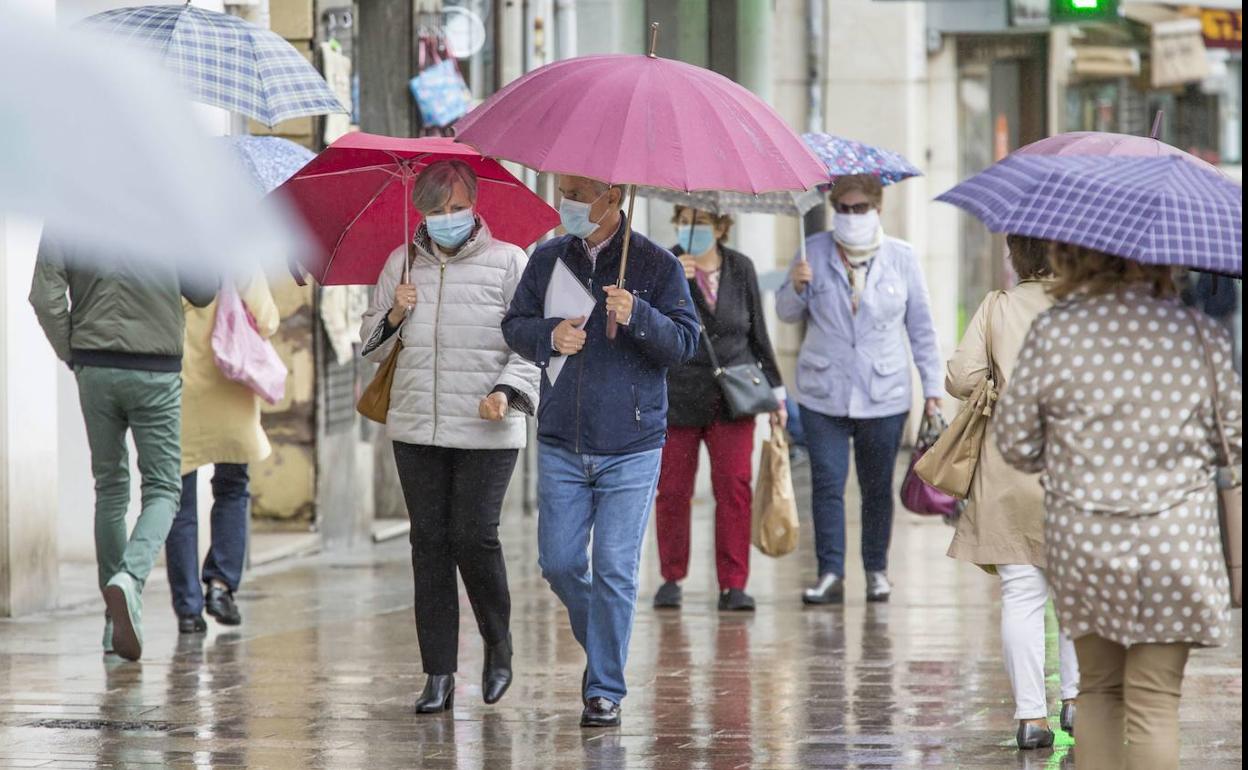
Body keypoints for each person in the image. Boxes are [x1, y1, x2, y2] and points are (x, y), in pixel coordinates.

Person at [996, 244, 1239, 770]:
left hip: (1088, 547)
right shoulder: (1201, 336)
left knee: (1100, 693)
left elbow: (1015, 443)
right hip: (1175, 546)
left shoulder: (1055, 334)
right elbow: (1233, 446)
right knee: (1154, 702)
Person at [502, 175, 699, 728]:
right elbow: (513, 326)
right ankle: (609, 647)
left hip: (632, 443)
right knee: (560, 562)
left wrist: (639, 314)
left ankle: (604, 687)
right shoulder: (546, 259)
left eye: (577, 191)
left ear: (613, 197)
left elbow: (684, 343)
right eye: (562, 189)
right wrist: (549, 337)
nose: (566, 201)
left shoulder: (658, 266)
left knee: (615, 567)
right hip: (563, 438)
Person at [359, 160, 540, 714]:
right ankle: (438, 671)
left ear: (476, 206)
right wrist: (393, 312)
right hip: (417, 426)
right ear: (421, 212)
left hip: (487, 423)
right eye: (436, 210)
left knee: (474, 535)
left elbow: (531, 344)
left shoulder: (511, 262)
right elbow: (369, 345)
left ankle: (498, 643)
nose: (447, 218)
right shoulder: (401, 263)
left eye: (457, 208)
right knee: (428, 545)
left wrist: (507, 393)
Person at [29, 236, 216, 661]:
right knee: (165, 489)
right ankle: (130, 580)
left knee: (110, 487)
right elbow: (204, 290)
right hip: (155, 366)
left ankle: (114, 623)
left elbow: (44, 295)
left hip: (94, 365)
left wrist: (72, 352)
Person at [776, 174, 943, 604]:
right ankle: (830, 571)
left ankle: (876, 570)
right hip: (823, 390)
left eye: (860, 208)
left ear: (877, 208)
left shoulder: (902, 258)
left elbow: (922, 330)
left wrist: (933, 390)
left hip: (883, 392)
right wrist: (796, 285)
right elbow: (785, 313)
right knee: (827, 482)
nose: (851, 217)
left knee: (875, 486)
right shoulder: (812, 251)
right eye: (843, 209)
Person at [944, 235, 1079, 749]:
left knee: (1022, 594)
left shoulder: (997, 307)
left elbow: (961, 376)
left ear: (1018, 255)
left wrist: (1000, 386)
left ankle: (1030, 719)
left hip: (1009, 467)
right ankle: (1077, 703)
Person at [652, 206, 787, 612]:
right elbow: (655, 330)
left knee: (734, 488)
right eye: (683, 221)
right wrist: (676, 284)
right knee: (673, 490)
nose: (689, 230)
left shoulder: (741, 268)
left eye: (700, 223)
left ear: (721, 227)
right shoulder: (666, 264)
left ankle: (734, 583)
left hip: (734, 398)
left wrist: (777, 394)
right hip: (680, 394)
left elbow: (757, 332)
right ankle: (671, 576)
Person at [165, 274, 280, 634]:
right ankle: (221, 586)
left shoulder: (158, 248)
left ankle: (187, 609)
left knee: (177, 501)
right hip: (227, 380)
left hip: (176, 383)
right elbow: (267, 319)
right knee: (232, 488)